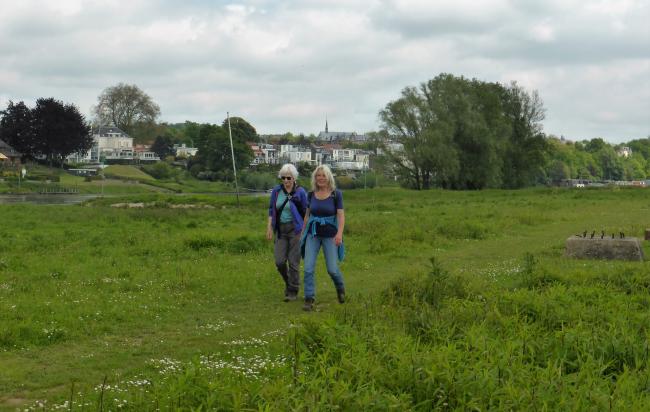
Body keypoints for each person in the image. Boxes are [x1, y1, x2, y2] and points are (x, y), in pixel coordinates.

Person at [300, 164, 346, 311]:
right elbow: (307, 215)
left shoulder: (336, 194)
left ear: (328, 177)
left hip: (330, 235)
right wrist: (302, 233)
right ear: (315, 178)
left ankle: (340, 288)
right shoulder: (310, 194)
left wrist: (339, 233)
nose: (320, 178)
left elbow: (341, 215)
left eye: (323, 175)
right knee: (308, 268)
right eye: (318, 176)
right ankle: (309, 298)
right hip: (312, 234)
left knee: (332, 269)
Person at [266, 164, 308, 301]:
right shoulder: (277, 191)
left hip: (296, 230)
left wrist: (305, 229)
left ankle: (293, 291)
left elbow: (307, 211)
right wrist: (269, 228)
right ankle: (288, 282)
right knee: (279, 261)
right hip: (281, 230)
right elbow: (271, 210)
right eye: (283, 177)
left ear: (294, 178)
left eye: (288, 178)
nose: (285, 180)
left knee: (293, 262)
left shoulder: (300, 192)